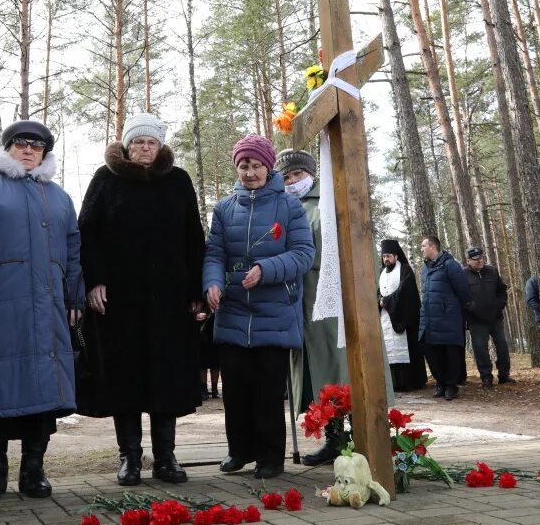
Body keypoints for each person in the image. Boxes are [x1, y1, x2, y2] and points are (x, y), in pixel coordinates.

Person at [0, 119, 84, 502]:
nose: (28, 149)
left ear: (44, 153)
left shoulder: (58, 197)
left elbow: (74, 252)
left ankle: (33, 468)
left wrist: (74, 298)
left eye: (36, 146)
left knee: (42, 390)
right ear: (6, 148)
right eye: (20, 143)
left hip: (48, 307)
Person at [78, 114, 205, 486]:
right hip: (120, 301)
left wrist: (196, 290)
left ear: (160, 146)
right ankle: (129, 457)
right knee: (126, 378)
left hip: (169, 300)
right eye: (138, 142)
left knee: (166, 378)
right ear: (127, 146)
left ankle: (166, 457)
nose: (144, 148)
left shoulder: (178, 181)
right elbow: (87, 232)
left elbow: (192, 235)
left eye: (151, 142)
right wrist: (95, 281)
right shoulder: (107, 180)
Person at [204, 134, 314, 480]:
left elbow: (303, 254)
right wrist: (213, 282)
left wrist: (266, 269)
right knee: (235, 389)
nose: (249, 172)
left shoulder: (289, 206)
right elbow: (215, 254)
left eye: (255, 165)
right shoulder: (224, 209)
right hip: (234, 310)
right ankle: (239, 450)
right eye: (243, 166)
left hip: (275, 310)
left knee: (267, 390)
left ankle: (270, 457)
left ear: (267, 167)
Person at [277, 149, 347, 466]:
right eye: (287, 177)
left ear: (311, 174)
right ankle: (333, 439)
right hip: (295, 305)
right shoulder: (282, 208)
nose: (293, 182)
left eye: (297, 175)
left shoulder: (330, 203)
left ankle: (348, 438)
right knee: (308, 375)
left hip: (328, 304)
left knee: (334, 369)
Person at [417, 236, 471, 401]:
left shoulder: (450, 265)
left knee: (450, 354)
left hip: (447, 318)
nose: (422, 249)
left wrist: (450, 309)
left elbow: (464, 291)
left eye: (423, 246)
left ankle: (451, 386)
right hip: (429, 319)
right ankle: (440, 382)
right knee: (431, 352)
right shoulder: (425, 268)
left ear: (432, 247)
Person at [378, 239, 427, 392]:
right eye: (384, 256)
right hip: (386, 319)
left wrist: (386, 302)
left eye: (389, 256)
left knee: (406, 349)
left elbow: (407, 293)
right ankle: (394, 384)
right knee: (389, 349)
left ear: (396, 256)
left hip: (403, 318)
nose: (386, 259)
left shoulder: (405, 270)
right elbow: (378, 291)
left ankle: (411, 382)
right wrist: (380, 300)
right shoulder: (381, 272)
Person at [462, 247, 513, 389]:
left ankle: (504, 375)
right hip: (476, 321)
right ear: (468, 261)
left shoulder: (492, 271)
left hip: (495, 318)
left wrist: (500, 305)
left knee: (502, 346)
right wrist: (471, 309)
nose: (480, 261)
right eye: (476, 259)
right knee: (480, 349)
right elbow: (461, 297)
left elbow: (502, 290)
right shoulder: (463, 275)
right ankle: (486, 378)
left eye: (481, 257)